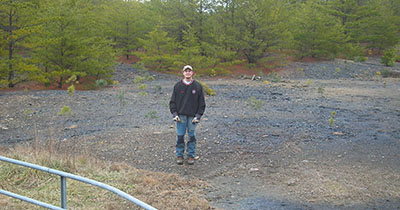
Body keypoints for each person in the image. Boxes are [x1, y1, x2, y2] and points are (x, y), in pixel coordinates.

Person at [169, 65, 206, 165]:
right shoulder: (177, 86)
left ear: (192, 73)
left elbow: (201, 103)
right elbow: (173, 101)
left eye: (190, 71)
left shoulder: (197, 86)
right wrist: (174, 114)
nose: (188, 73)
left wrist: (198, 115)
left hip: (193, 117)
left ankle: (191, 156)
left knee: (191, 136)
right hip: (181, 116)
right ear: (183, 73)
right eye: (186, 71)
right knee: (180, 136)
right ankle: (179, 155)